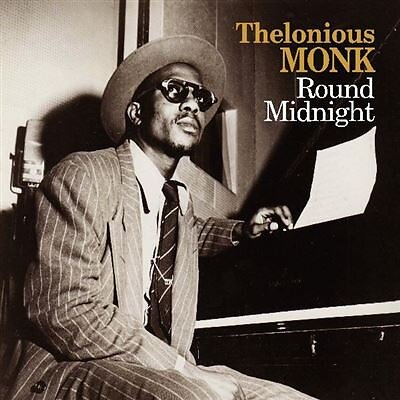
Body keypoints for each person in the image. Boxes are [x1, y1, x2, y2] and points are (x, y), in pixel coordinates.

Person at [9, 35, 316, 399]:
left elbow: (193, 232)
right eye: (175, 90)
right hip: (70, 366)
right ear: (136, 112)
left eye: (201, 98)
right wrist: (182, 369)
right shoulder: (83, 174)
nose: (193, 105)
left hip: (160, 365)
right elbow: (63, 310)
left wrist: (243, 230)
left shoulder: (177, 201)